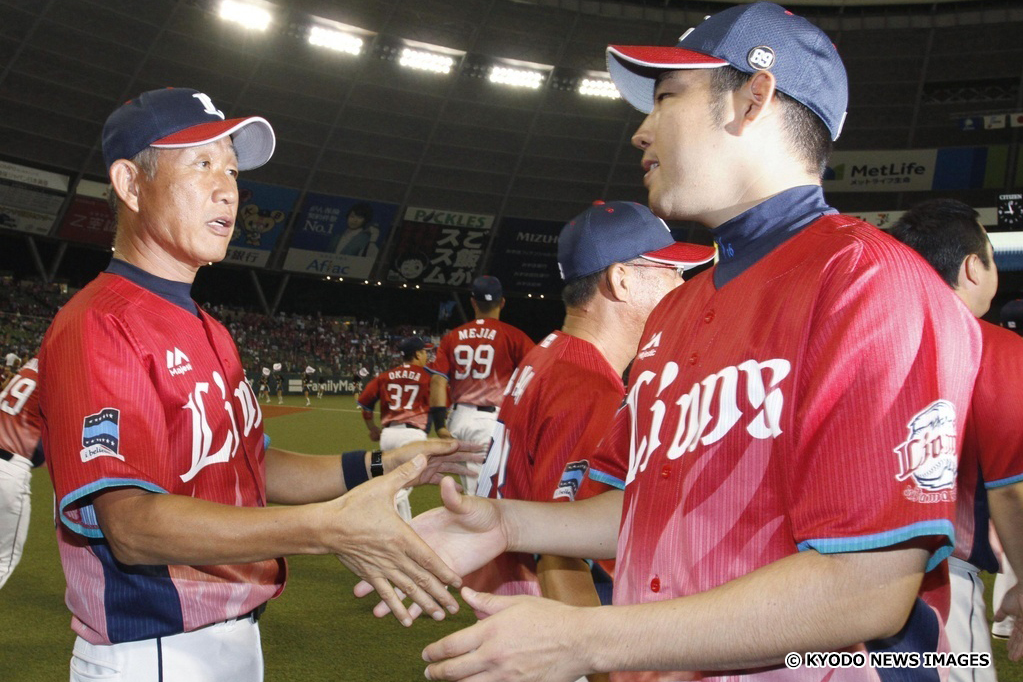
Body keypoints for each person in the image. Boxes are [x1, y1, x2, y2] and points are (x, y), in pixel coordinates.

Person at [359, 5, 981, 681]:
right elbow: (650, 504)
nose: (639, 130)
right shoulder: (681, 305)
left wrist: (589, 639)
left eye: (664, 98)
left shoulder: (867, 283)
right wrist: (506, 524)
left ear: (754, 98)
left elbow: (865, 586)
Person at [38, 87, 478, 682]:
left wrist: (384, 464)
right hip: (155, 651)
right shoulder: (100, 323)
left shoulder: (209, 329)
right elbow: (132, 526)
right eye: (200, 164)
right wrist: (324, 528)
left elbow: (248, 467)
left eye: (232, 170)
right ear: (129, 182)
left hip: (230, 641)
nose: (228, 190)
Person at [469, 201, 713, 638]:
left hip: (509, 600)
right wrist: (594, 658)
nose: (681, 284)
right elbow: (559, 551)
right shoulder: (589, 385)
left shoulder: (548, 353)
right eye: (669, 270)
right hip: (541, 621)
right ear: (621, 279)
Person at [888, 198, 1023, 670]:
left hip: (826, 581)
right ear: (972, 268)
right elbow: (1010, 492)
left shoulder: (859, 339)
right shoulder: (992, 346)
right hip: (938, 583)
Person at [428, 275, 534, 495]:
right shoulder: (514, 336)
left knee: (472, 491)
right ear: (502, 302)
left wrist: (439, 424)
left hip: (457, 420)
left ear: (473, 302)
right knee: (485, 494)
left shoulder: (453, 337)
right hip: (490, 421)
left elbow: (438, 380)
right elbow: (535, 377)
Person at [357, 336, 438, 522]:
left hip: (388, 435)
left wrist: (372, 429)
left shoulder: (385, 376)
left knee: (393, 479)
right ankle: (372, 508)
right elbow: (440, 406)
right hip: (413, 436)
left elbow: (366, 405)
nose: (427, 355)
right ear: (417, 354)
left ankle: (406, 527)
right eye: (425, 352)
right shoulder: (429, 377)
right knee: (402, 484)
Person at [0, 356, 44, 590]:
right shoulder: (58, 375)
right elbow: (39, 454)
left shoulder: (29, 366)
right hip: (10, 468)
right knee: (4, 560)